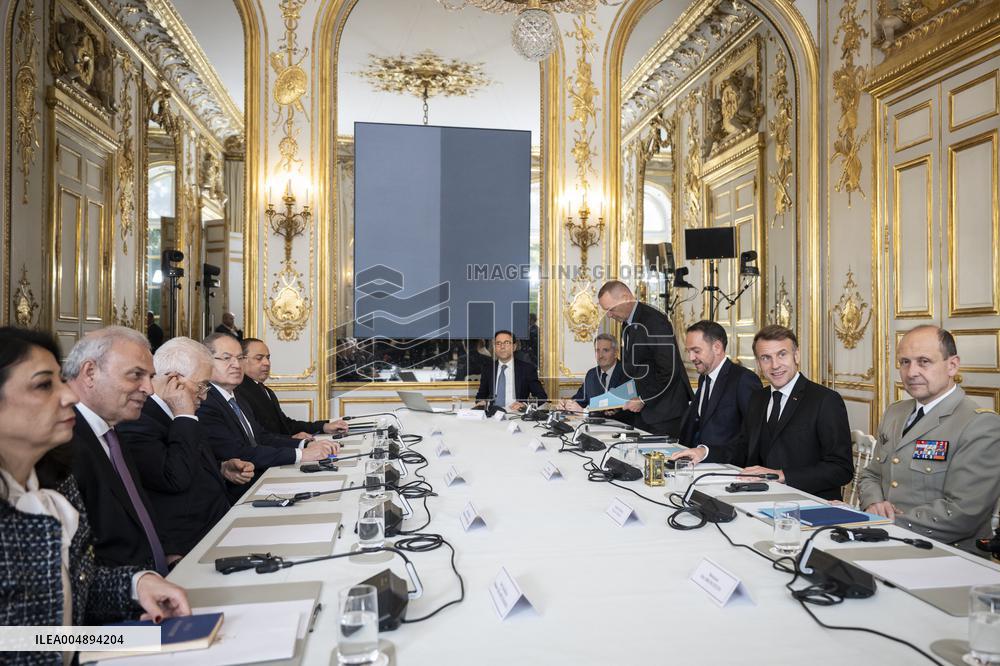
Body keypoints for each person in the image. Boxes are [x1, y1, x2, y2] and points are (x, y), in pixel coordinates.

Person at [0, 327, 189, 644]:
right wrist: (122, 642)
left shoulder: (44, 483)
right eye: (44, 385)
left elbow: (74, 589)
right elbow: (23, 640)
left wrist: (137, 583)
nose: (69, 396)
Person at [858, 326, 1000, 552]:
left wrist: (888, 524)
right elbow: (871, 473)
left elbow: (964, 511)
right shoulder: (895, 413)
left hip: (945, 554)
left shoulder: (979, 424)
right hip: (886, 541)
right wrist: (873, 503)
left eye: (924, 361)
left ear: (952, 365)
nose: (911, 371)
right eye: (905, 362)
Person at [677, 325, 852, 501]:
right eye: (766, 358)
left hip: (809, 502)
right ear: (759, 363)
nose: (775, 365)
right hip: (761, 499)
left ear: (796, 355)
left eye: (782, 354)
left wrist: (782, 475)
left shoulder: (825, 400)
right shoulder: (758, 398)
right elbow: (742, 448)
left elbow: (841, 469)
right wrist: (704, 452)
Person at [117, 337, 254, 559]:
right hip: (188, 544)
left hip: (219, 525)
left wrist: (220, 468)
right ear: (174, 381)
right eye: (202, 385)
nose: (204, 395)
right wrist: (184, 415)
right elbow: (173, 477)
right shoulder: (139, 421)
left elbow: (184, 459)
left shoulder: (182, 414)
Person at [54, 327, 168, 573]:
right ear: (90, 372)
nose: (149, 389)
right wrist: (136, 585)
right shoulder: (62, 443)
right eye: (136, 375)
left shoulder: (111, 432)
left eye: (150, 377)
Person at [197, 333, 335, 498]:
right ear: (206, 362)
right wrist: (301, 454)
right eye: (227, 358)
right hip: (236, 494)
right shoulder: (204, 401)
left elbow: (261, 436)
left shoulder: (236, 396)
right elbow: (239, 452)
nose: (236, 365)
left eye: (239, 358)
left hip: (262, 479)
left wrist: (303, 445)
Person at [597, 280, 693, 435]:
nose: (609, 315)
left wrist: (643, 400)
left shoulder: (654, 321)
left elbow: (670, 369)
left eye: (611, 309)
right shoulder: (628, 322)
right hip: (647, 413)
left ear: (625, 297)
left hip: (665, 413)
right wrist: (620, 400)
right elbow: (638, 370)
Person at [674, 321, 762, 462]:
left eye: (696, 351)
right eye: (688, 351)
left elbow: (752, 437)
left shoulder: (744, 379)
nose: (691, 358)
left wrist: (708, 453)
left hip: (728, 469)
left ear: (717, 347)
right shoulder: (704, 378)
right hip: (697, 465)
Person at [236, 338, 348, 438]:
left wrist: (324, 426)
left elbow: (286, 425)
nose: (267, 363)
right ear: (241, 360)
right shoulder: (238, 392)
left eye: (268, 358)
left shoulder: (265, 390)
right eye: (259, 358)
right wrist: (293, 441)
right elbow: (258, 437)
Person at [475, 330, 547, 412]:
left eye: (506, 343)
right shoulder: (488, 369)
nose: (502, 347)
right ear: (494, 347)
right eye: (498, 343)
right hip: (492, 416)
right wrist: (481, 402)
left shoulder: (527, 369)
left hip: (517, 415)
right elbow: (481, 395)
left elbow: (541, 396)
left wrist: (524, 404)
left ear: (514, 347)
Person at [558, 333, 629, 411]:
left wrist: (584, 412)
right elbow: (580, 399)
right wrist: (566, 404)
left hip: (621, 422)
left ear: (616, 353)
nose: (600, 356)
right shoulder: (591, 374)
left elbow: (616, 410)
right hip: (593, 423)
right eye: (597, 350)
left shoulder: (626, 373)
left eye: (605, 350)